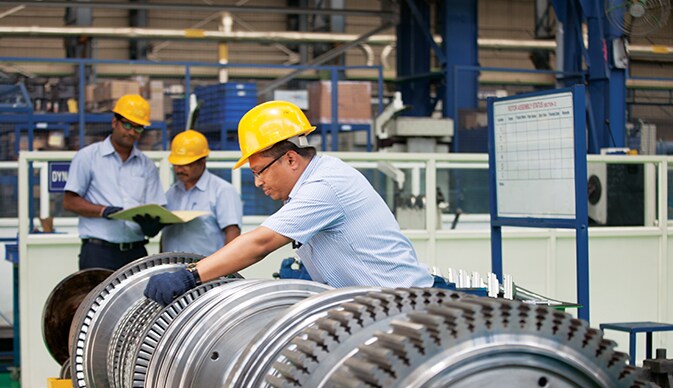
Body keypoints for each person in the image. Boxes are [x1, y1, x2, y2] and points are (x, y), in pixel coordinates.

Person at [144, 100, 434, 306]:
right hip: (374, 306)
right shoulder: (308, 185)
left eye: (259, 171)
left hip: (404, 307)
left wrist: (190, 276)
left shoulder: (325, 185)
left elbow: (261, 242)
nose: (258, 182)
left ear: (291, 159)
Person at [63, 94, 166, 271]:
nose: (131, 132)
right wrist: (103, 211)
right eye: (127, 125)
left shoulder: (147, 166)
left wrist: (152, 226)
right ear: (114, 122)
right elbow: (70, 202)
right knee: (98, 291)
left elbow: (155, 207)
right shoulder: (88, 157)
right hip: (98, 252)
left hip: (135, 253)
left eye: (138, 127)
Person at [160, 129, 242, 255]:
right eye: (176, 165)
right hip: (171, 265)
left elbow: (233, 232)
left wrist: (227, 265)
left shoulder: (222, 191)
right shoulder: (171, 193)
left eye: (185, 165)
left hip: (207, 266)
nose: (179, 170)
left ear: (202, 162)